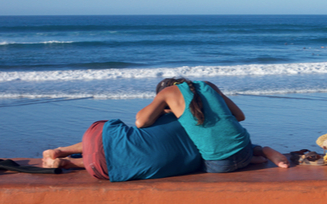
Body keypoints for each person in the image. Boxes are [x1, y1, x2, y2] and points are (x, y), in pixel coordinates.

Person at [136, 78, 288, 172]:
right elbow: (240, 116)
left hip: (219, 166)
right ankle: (260, 152)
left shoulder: (167, 93)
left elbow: (140, 122)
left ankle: (250, 158)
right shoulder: (207, 85)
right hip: (244, 151)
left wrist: (163, 111)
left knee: (190, 158)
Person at [42, 114, 202, 182]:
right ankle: (71, 163)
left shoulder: (174, 117)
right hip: (99, 170)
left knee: (122, 138)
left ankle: (63, 151)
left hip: (95, 136)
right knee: (129, 159)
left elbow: (141, 120)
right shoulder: (203, 155)